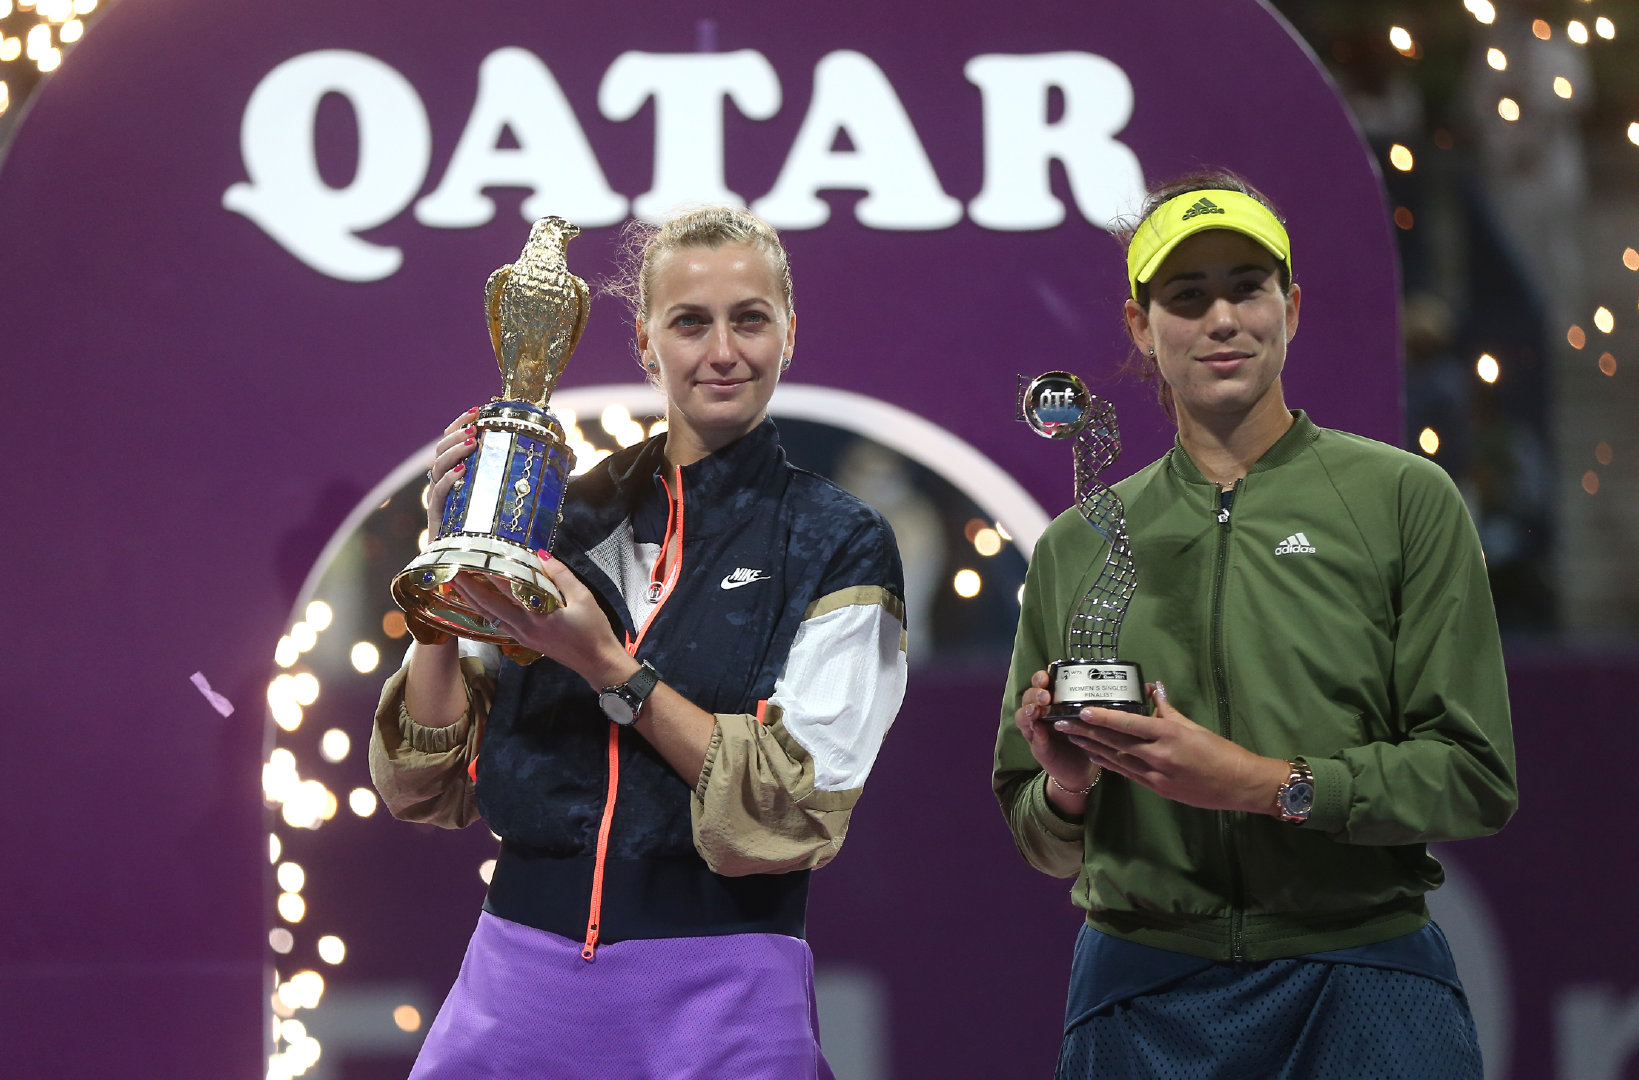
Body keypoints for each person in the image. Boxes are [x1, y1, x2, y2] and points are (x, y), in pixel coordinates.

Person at [993, 171, 1517, 1079]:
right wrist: (1069, 789)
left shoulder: (1403, 500)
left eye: (1247, 288)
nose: (1222, 320)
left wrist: (1263, 785)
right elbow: (1037, 833)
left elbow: (1473, 778)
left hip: (1362, 975)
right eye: (1187, 298)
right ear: (1139, 326)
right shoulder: (1077, 544)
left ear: (1291, 307)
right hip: (1141, 990)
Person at [371, 206, 908, 1079]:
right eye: (689, 323)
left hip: (725, 993)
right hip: (518, 982)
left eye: (749, 319)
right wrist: (449, 568)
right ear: (645, 344)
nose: (722, 351)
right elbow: (425, 782)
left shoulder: (837, 539)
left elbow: (793, 807)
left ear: (789, 333)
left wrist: (607, 667)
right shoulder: (560, 516)